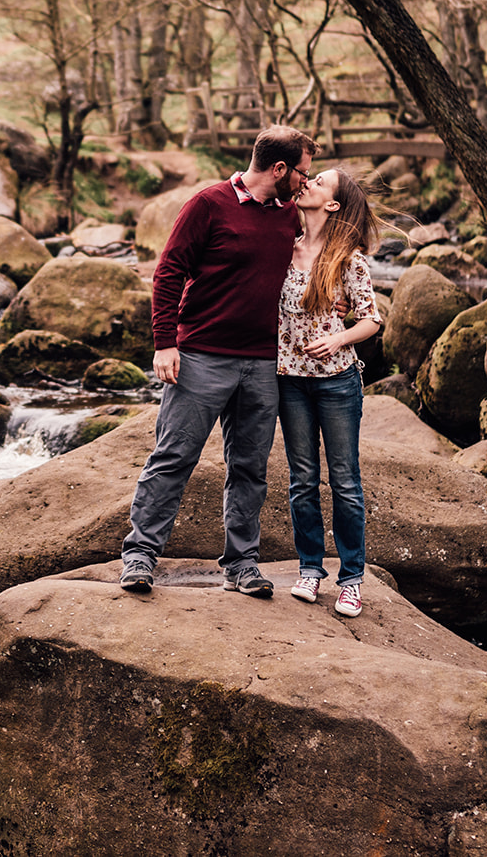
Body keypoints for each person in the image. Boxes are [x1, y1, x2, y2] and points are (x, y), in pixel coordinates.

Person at [119, 124, 316, 597]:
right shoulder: (208, 204)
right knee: (173, 457)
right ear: (279, 168)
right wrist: (165, 342)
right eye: (302, 173)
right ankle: (140, 556)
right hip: (201, 356)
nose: (306, 183)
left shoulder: (290, 216)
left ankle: (242, 565)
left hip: (263, 364)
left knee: (250, 468)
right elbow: (167, 272)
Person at [276, 167, 382, 618]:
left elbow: (372, 320)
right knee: (302, 481)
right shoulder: (283, 247)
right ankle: (310, 570)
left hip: (338, 383)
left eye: (319, 182)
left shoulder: (349, 260)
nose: (308, 184)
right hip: (290, 381)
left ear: (333, 204)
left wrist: (338, 338)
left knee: (345, 483)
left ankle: (352, 580)